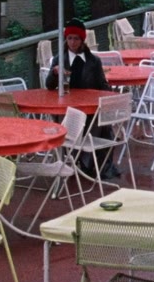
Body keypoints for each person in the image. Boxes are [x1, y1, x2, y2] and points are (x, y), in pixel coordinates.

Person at [45, 18, 120, 180]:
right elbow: (49, 86)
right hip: (67, 108)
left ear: (82, 40)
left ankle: (87, 162)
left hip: (89, 107)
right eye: (70, 38)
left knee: (96, 124)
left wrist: (111, 98)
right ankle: (70, 158)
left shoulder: (93, 61)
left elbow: (102, 84)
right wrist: (54, 73)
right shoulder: (60, 59)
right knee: (65, 122)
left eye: (76, 39)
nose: (72, 42)